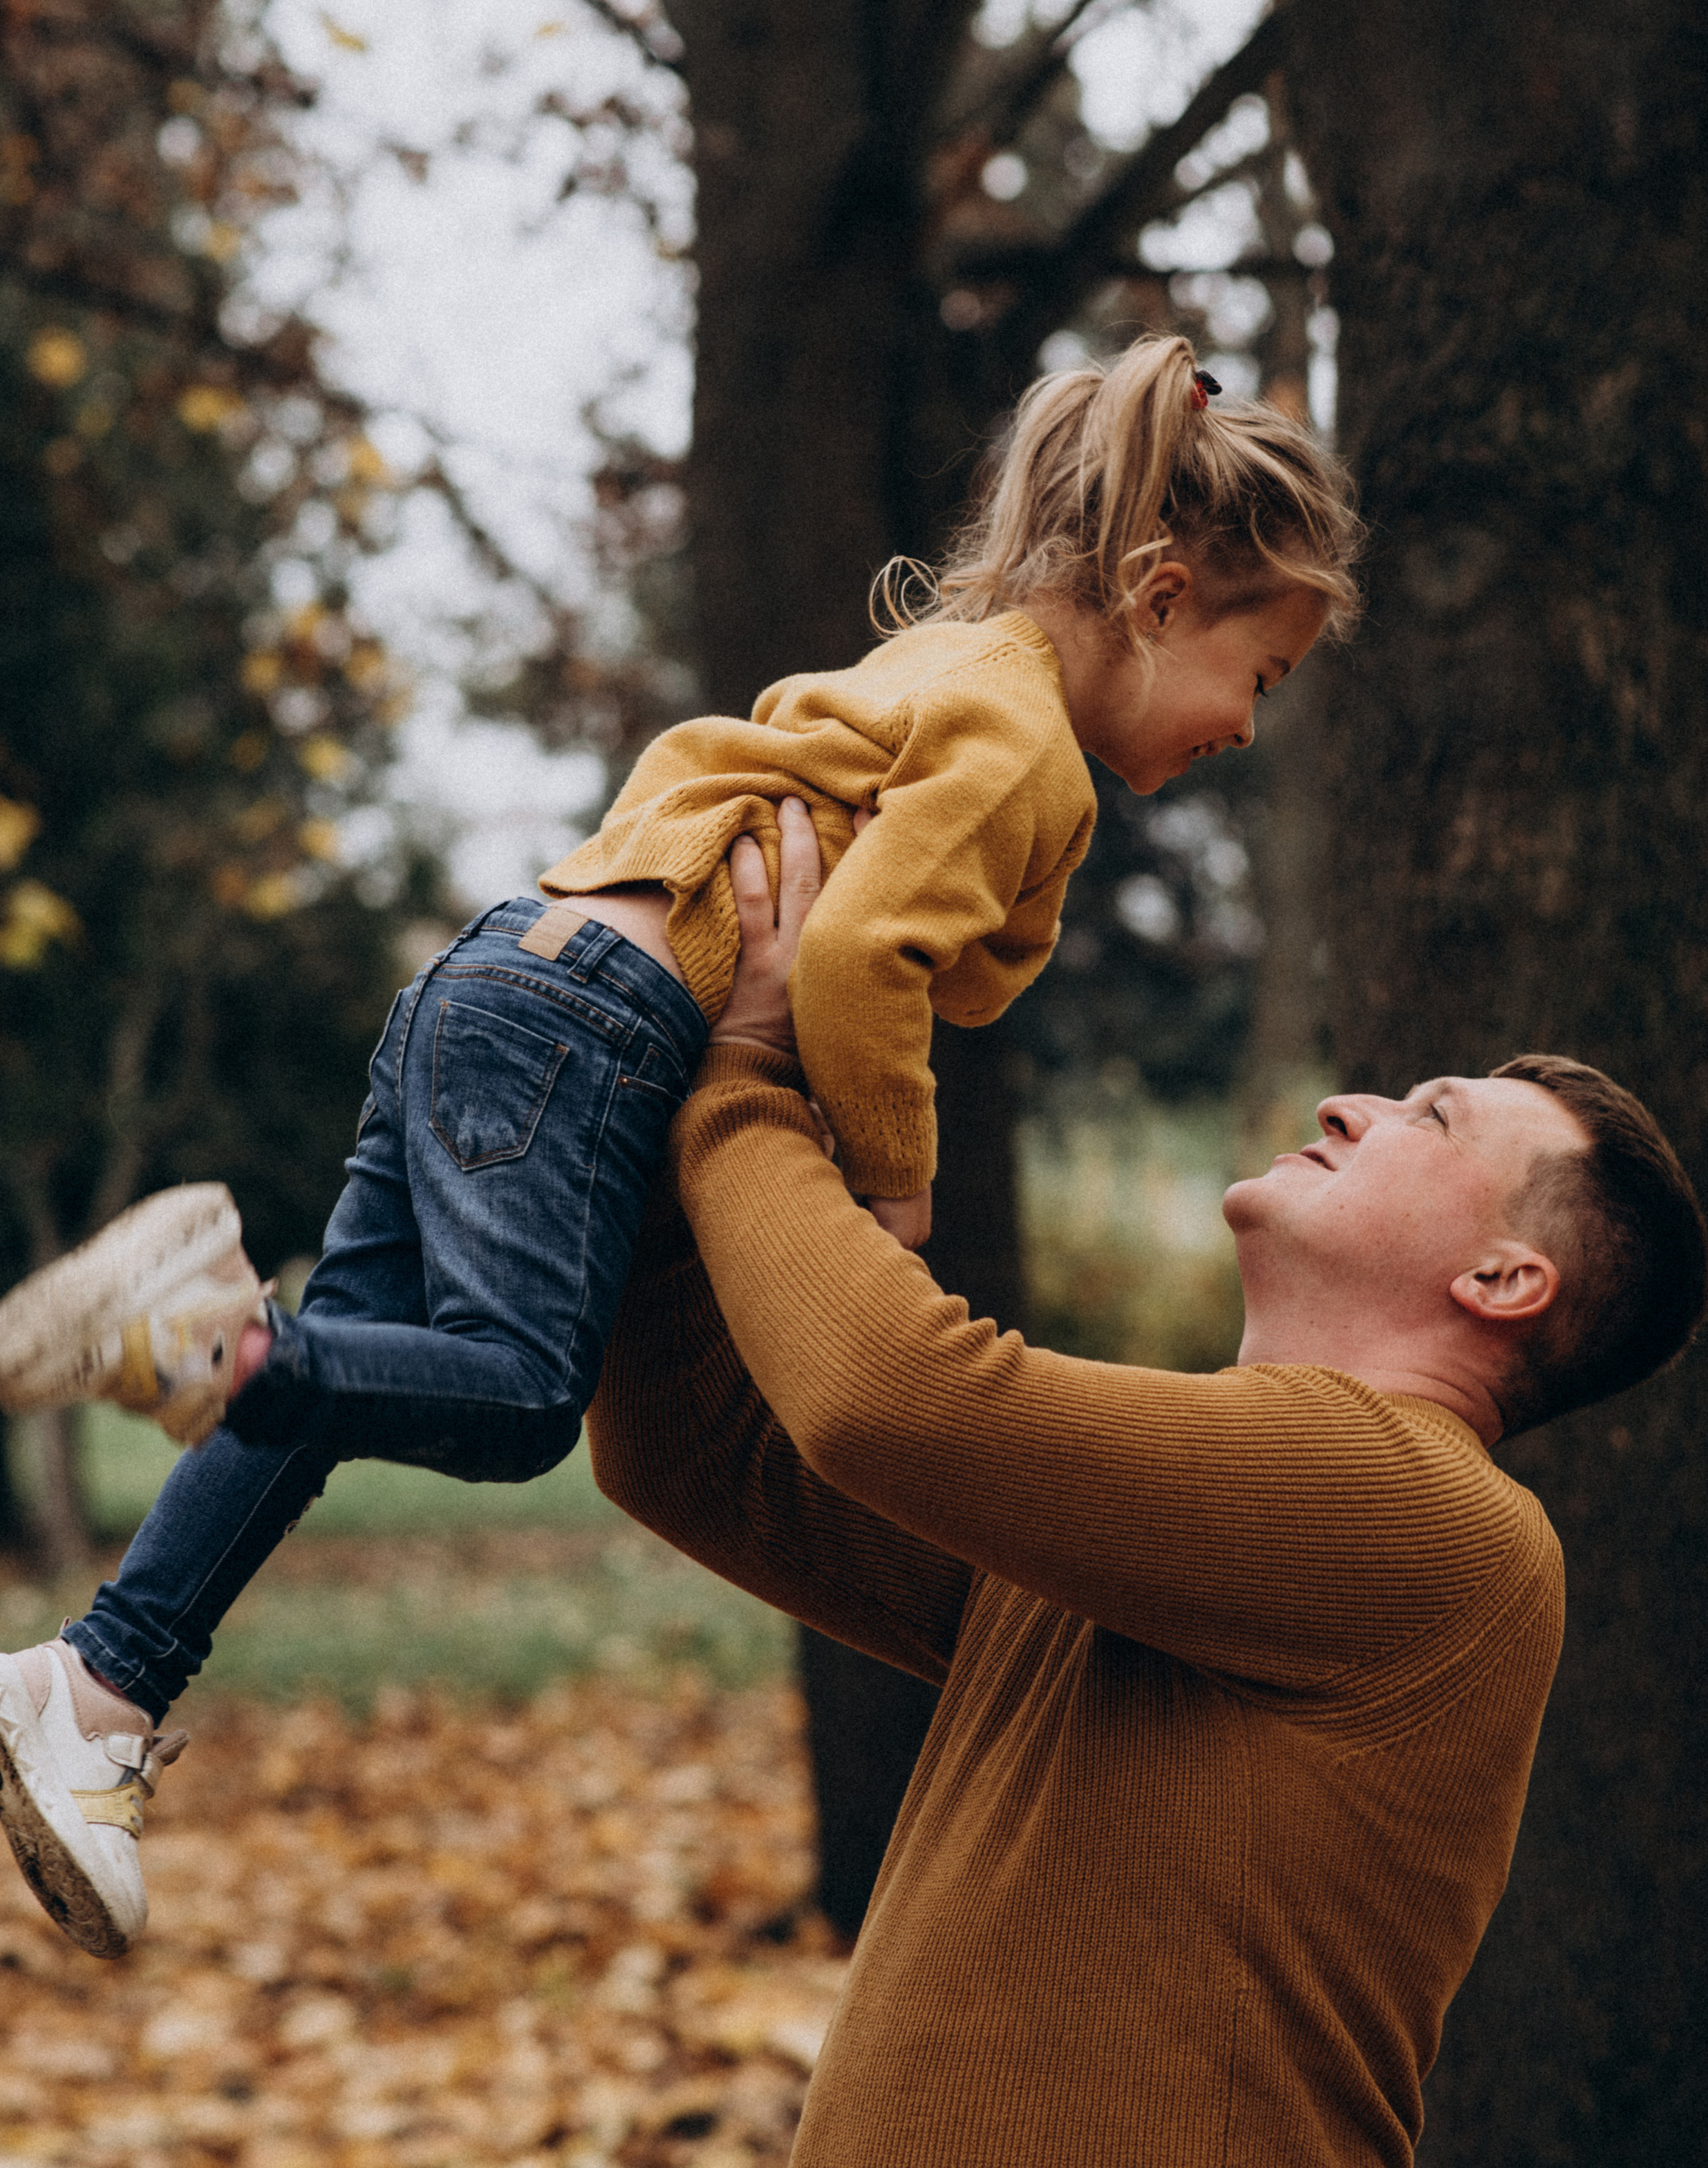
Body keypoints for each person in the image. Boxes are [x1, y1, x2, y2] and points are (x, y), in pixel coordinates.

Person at [0, 334, 1362, 1958]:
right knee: (512, 1396)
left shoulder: (945, 664)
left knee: (364, 1364)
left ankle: (97, 1684)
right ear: (1163, 594)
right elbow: (850, 961)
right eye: (1261, 679)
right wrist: (886, 1188)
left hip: (498, 977)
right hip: (594, 1026)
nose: (1250, 731)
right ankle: (213, 1335)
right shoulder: (1026, 740)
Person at [585, 802, 1707, 2168]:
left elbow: (887, 1396)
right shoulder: (1169, 1540)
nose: (1346, 1104)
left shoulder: (1429, 1518)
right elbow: (701, 1458)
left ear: (1499, 1280)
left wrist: (750, 1071)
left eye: (1430, 1115)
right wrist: (642, 1112)